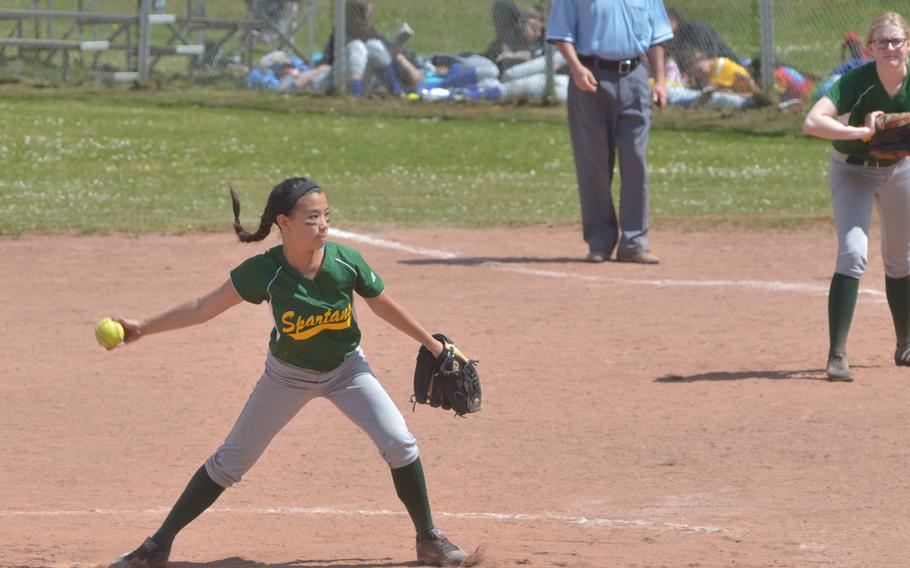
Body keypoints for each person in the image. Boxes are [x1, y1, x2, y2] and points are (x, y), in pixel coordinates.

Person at [106, 177, 472, 567]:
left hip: (348, 370)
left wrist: (432, 345)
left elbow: (383, 304)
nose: (324, 225)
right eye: (312, 218)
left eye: (326, 216)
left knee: (400, 443)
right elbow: (202, 307)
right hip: (286, 377)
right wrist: (143, 327)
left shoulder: (345, 261)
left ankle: (429, 538)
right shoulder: (265, 271)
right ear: (284, 223)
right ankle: (157, 545)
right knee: (230, 462)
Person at [802, 11, 910, 382]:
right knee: (853, 251)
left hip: (900, 170)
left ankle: (906, 344)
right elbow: (812, 122)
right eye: (882, 42)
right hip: (853, 170)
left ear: (908, 45)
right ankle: (837, 355)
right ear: (869, 48)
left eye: (897, 41)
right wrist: (860, 132)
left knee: (900, 258)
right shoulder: (857, 81)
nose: (890, 48)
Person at [546, 0, 674, 264]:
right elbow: (561, 33)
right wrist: (576, 67)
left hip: (635, 78)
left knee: (635, 159)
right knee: (594, 163)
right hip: (590, 77)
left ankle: (634, 243)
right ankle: (600, 242)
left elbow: (656, 37)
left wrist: (660, 81)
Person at [321, 0, 402, 96]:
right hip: (336, 79)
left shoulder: (370, 34)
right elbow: (327, 60)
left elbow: (382, 54)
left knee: (376, 47)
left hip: (366, 82)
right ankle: (356, 94)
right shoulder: (340, 34)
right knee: (358, 49)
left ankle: (396, 91)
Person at [665, 7, 738, 88]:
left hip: (723, 72)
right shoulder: (670, 41)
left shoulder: (694, 30)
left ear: (671, 20)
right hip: (696, 80)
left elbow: (711, 59)